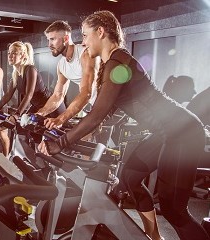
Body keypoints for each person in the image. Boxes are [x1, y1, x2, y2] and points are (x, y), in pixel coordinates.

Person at [38, 10, 208, 240]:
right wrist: (71, 130)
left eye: (87, 35)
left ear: (101, 32)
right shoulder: (113, 63)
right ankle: (154, 238)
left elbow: (98, 114)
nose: (84, 42)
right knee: (130, 177)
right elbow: (106, 113)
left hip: (183, 134)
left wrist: (61, 143)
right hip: (164, 133)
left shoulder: (119, 62)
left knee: (174, 210)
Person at [35, 20, 97, 129]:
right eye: (48, 40)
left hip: (114, 105)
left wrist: (61, 119)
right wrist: (40, 113)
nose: (49, 45)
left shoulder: (85, 54)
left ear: (66, 39)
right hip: (96, 106)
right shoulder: (61, 65)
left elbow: (86, 93)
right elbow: (58, 95)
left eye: (53, 39)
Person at [0, 41, 65, 119]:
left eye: (14, 53)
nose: (10, 56)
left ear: (23, 55)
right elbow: (8, 95)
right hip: (38, 106)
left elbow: (29, 94)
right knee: (24, 127)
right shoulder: (16, 75)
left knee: (57, 130)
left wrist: (17, 114)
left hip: (52, 106)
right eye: (9, 53)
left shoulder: (30, 69)